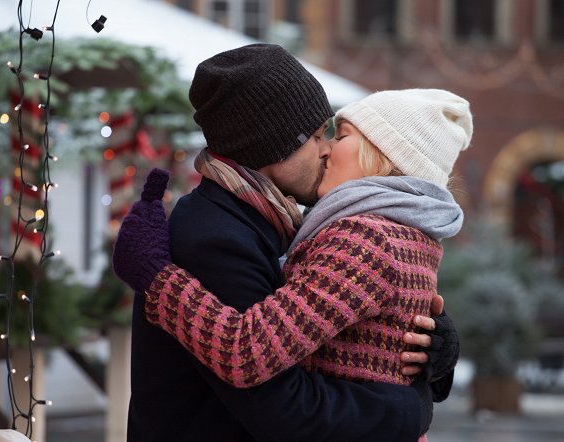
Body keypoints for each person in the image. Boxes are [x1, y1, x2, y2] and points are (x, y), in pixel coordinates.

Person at [114, 44, 459, 441]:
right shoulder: (214, 236)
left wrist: (430, 347)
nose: (326, 148)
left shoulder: (282, 222)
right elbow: (285, 410)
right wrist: (411, 406)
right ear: (271, 147)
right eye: (316, 136)